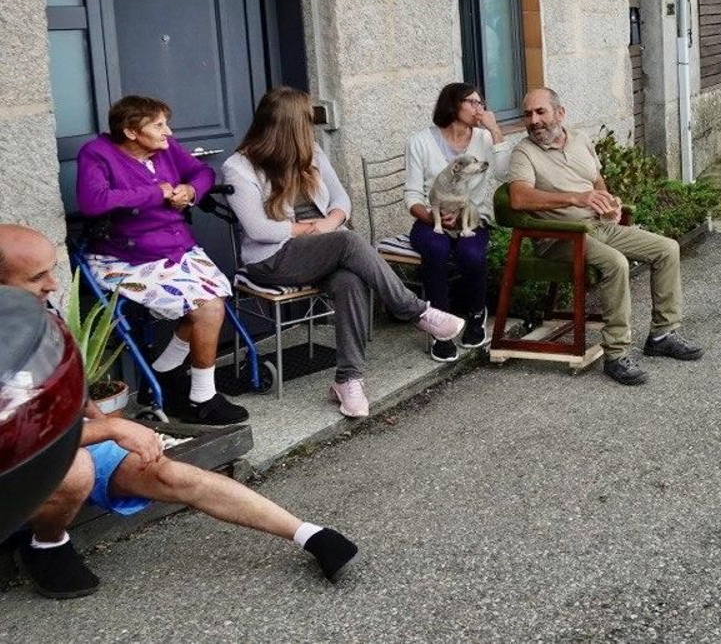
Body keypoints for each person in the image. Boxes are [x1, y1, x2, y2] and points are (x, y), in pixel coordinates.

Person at [0, 225, 358, 599]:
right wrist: (110, 430)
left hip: (69, 439)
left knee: (168, 474)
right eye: (37, 277)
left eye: (51, 271)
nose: (53, 285)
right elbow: (14, 443)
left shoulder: (38, 316)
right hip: (22, 465)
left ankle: (310, 534)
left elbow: (73, 389)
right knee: (76, 471)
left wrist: (103, 424)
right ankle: (47, 544)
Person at [223, 88, 465, 419]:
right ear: (288, 126)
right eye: (307, 121)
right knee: (348, 242)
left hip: (323, 248)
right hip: (273, 259)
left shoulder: (311, 152)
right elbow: (259, 229)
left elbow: (341, 200)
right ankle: (416, 311)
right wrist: (313, 229)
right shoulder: (239, 167)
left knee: (350, 281)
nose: (311, 128)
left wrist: (330, 222)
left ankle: (348, 380)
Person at [506, 87, 702, 386]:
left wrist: (608, 202)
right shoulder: (524, 152)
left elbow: (596, 180)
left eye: (540, 112)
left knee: (667, 249)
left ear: (560, 113)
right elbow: (519, 198)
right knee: (615, 263)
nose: (533, 121)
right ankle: (616, 354)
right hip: (560, 238)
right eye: (527, 114)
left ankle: (662, 335)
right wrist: (576, 198)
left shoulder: (580, 140)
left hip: (599, 226)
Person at [74, 95, 247, 425]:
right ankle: (202, 399)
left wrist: (190, 191)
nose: (168, 132)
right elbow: (93, 202)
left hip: (176, 248)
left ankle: (165, 369)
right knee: (208, 307)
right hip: (127, 258)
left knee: (213, 296)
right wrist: (157, 192)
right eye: (158, 125)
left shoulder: (165, 149)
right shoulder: (97, 153)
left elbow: (202, 172)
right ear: (131, 131)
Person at [404, 83, 510, 363]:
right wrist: (430, 216)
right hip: (432, 219)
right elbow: (412, 195)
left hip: (471, 219)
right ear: (453, 105)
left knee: (470, 254)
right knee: (436, 249)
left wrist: (495, 130)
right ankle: (440, 328)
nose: (479, 108)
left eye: (481, 103)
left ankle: (476, 314)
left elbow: (504, 175)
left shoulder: (484, 139)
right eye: (472, 102)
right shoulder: (420, 142)